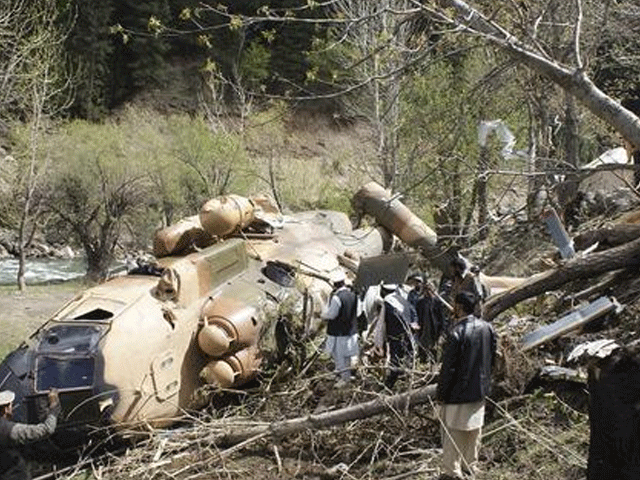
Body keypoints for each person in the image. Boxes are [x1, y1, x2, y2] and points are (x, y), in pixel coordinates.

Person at [436, 292, 496, 480]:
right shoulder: (488, 328)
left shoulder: (456, 333)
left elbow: (448, 369)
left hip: (457, 393)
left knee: (453, 433)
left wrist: (441, 394)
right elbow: (492, 359)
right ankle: (470, 467)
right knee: (474, 431)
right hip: (479, 390)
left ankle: (452, 472)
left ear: (459, 307)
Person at [0, 389, 61, 480]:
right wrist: (54, 409)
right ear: (6, 409)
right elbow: (46, 429)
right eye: (11, 405)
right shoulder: (10, 430)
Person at [321, 270, 359, 386]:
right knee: (346, 356)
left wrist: (322, 315)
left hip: (339, 333)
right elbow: (358, 312)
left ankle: (345, 379)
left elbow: (332, 315)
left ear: (334, 284)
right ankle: (339, 372)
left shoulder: (337, 298)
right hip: (351, 331)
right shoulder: (353, 295)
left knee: (339, 356)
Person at [381, 283, 419, 389]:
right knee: (405, 358)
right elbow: (413, 312)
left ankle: (390, 384)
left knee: (395, 361)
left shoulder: (387, 303)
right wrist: (413, 323)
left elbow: (382, 323)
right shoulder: (402, 300)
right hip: (407, 335)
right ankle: (404, 380)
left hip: (395, 337)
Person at [414, 280, 448, 362]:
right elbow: (417, 316)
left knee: (434, 353)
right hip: (423, 331)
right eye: (426, 289)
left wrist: (442, 333)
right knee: (422, 353)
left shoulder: (437, 302)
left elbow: (442, 318)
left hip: (434, 331)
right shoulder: (420, 302)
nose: (428, 291)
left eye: (429, 289)